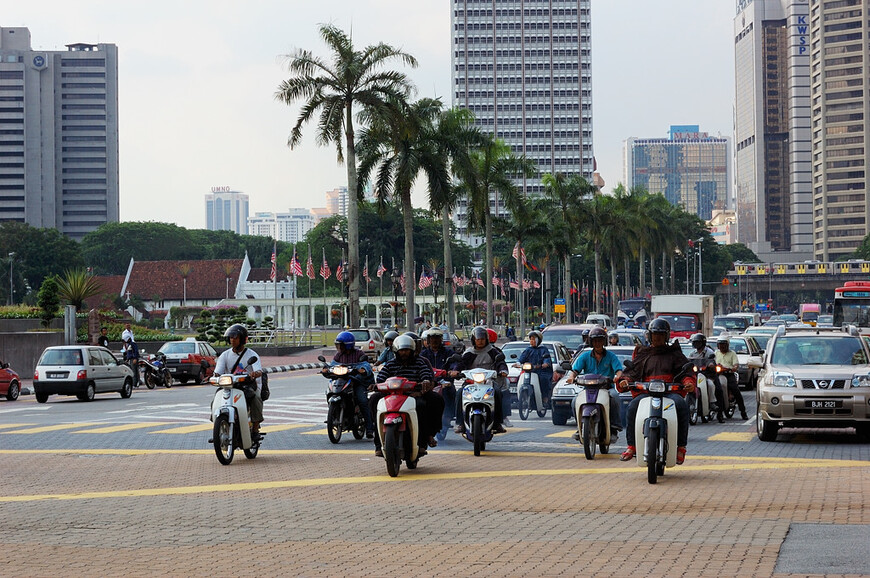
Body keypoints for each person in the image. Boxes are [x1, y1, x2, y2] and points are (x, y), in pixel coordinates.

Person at [617, 318, 694, 465]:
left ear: (666, 336)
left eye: (660, 335)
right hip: (646, 393)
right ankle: (632, 446)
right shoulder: (642, 353)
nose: (657, 338)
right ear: (650, 336)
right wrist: (625, 380)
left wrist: (688, 382)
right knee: (632, 407)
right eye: (654, 334)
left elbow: (686, 373)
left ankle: (681, 447)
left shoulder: (674, 354)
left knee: (681, 405)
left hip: (670, 393)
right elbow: (632, 372)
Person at [372, 334, 443, 457]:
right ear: (396, 351)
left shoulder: (420, 362)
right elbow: (381, 377)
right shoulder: (390, 364)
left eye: (407, 350)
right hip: (392, 396)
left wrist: (425, 382)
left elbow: (425, 374)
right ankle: (378, 443)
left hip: (413, 396)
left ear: (412, 351)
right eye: (402, 350)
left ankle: (424, 440)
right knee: (373, 399)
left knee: (429, 403)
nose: (404, 353)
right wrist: (376, 385)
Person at [566, 326, 624, 441]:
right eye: (595, 341)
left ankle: (614, 427)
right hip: (588, 389)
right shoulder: (585, 356)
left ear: (604, 341)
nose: (598, 343)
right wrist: (571, 377)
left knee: (615, 397)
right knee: (574, 401)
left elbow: (618, 369)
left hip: (606, 388)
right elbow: (574, 370)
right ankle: (580, 427)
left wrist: (618, 376)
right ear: (591, 342)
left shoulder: (611, 356)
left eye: (600, 340)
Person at [452, 326, 508, 434]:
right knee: (459, 393)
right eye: (478, 339)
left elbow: (501, 363)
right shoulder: (469, 353)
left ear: (486, 339)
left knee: (497, 392)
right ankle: (460, 423)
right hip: (471, 382)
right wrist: (455, 371)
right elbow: (461, 364)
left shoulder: (493, 352)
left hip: (488, 382)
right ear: (474, 340)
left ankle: (497, 423)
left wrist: (503, 371)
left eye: (482, 339)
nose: (480, 341)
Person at [321, 331, 375, 438]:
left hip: (357, 381)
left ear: (348, 345)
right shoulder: (338, 355)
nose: (339, 347)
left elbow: (366, 365)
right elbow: (333, 365)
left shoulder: (359, 354)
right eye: (338, 345)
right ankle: (334, 415)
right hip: (341, 380)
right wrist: (326, 369)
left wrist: (363, 370)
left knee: (362, 400)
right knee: (330, 391)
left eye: (341, 345)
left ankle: (369, 428)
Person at [215, 324, 265, 437]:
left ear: (242, 339)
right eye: (231, 337)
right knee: (216, 398)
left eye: (235, 337)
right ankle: (217, 422)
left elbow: (259, 371)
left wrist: (254, 374)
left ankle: (256, 428)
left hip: (249, 385)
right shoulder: (225, 355)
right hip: (230, 385)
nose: (232, 340)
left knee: (256, 399)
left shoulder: (252, 354)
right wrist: (214, 375)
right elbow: (218, 371)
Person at [687, 333, 724, 423]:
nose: (696, 345)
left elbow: (711, 362)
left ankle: (715, 406)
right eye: (695, 343)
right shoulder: (692, 353)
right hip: (696, 376)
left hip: (708, 375)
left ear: (703, 343)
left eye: (698, 343)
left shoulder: (709, 352)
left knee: (713, 386)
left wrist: (710, 365)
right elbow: (689, 362)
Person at [515, 330, 554, 406]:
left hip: (542, 371)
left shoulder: (543, 349)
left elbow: (547, 358)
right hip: (530, 371)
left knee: (543, 379)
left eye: (534, 339)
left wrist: (545, 363)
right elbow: (522, 358)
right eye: (531, 339)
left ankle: (544, 398)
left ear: (538, 340)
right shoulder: (528, 350)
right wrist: (518, 363)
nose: (532, 341)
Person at [715, 334, 748, 421]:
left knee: (736, 391)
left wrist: (732, 368)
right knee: (718, 390)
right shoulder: (716, 353)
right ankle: (719, 412)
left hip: (729, 374)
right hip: (718, 375)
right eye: (720, 344)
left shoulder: (732, 353)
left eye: (723, 344)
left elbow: (736, 365)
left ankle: (743, 412)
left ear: (727, 345)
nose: (721, 346)